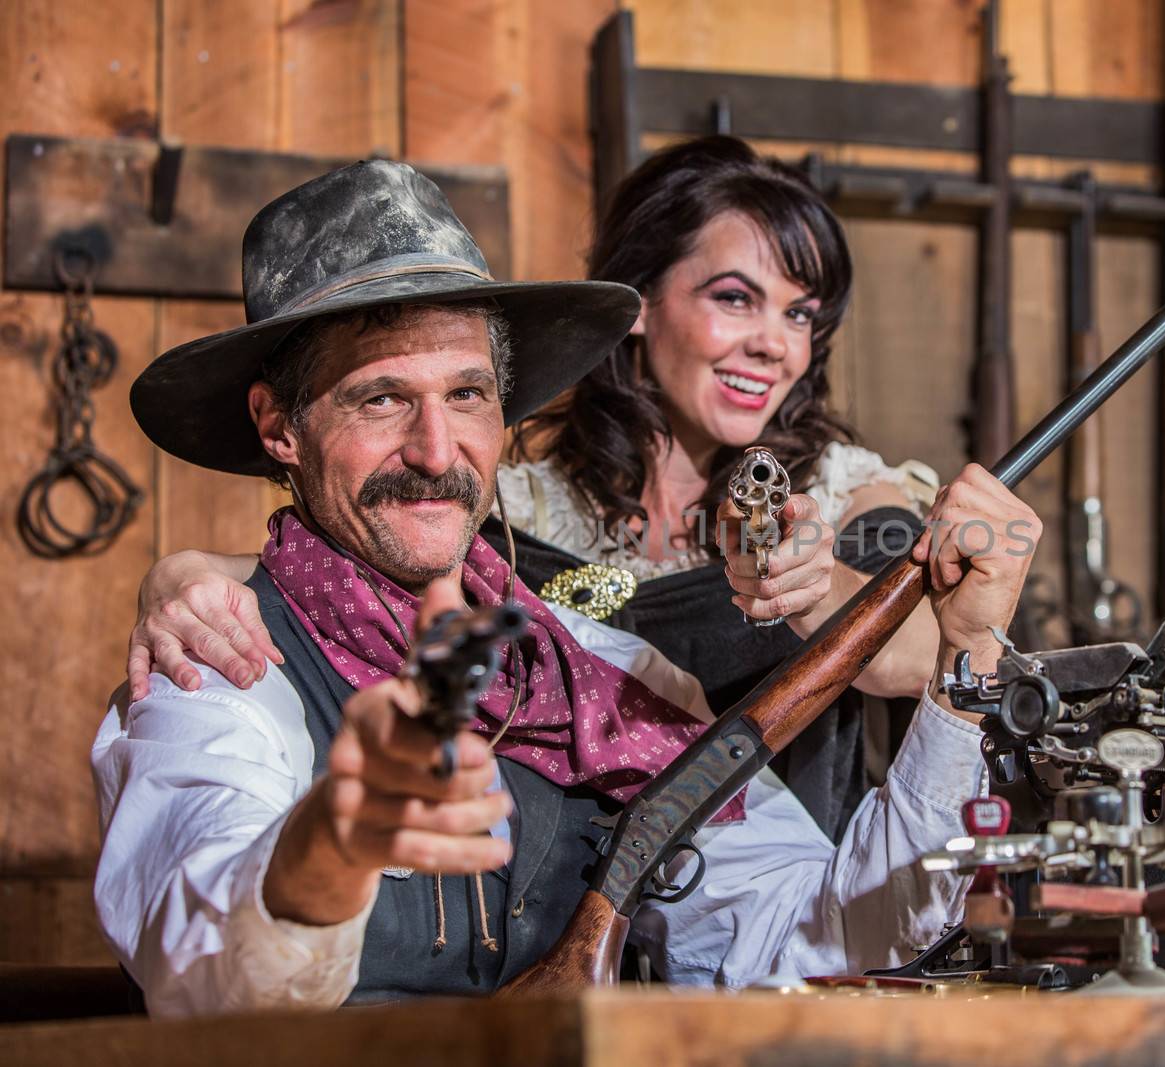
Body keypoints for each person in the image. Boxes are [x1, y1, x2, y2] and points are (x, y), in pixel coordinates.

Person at [93, 160, 1041, 1015]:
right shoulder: (214, 663)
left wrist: (968, 655)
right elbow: (202, 969)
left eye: (467, 394)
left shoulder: (608, 673)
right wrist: (324, 853)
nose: (435, 450)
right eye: (382, 397)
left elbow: (818, 932)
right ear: (279, 428)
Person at [127, 136, 945, 842]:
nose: (775, 344)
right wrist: (187, 572)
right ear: (639, 304)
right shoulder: (512, 501)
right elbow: (349, 574)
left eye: (802, 316)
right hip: (566, 910)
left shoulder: (849, 487)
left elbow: (925, 655)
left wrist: (820, 586)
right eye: (735, 299)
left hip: (785, 897)